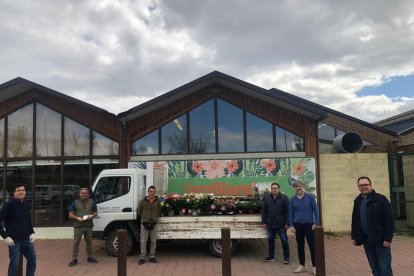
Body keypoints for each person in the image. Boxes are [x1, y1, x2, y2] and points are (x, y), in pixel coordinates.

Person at [351, 176, 394, 276]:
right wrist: (354, 236)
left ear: (371, 185)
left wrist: (388, 238)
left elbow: (389, 219)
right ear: (358, 187)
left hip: (381, 240)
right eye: (361, 185)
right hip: (366, 240)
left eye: (366, 184)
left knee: (385, 269)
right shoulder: (358, 201)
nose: (363, 187)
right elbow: (355, 220)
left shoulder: (381, 199)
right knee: (374, 268)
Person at [0, 183, 36, 276]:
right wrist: (5, 237)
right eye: (18, 190)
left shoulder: (25, 204)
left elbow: (28, 220)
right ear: (14, 193)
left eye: (22, 190)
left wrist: (32, 232)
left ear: (25, 192)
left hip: (27, 240)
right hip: (14, 241)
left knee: (32, 260)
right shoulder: (8, 205)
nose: (21, 192)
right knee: (14, 265)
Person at [289, 180, 319, 275]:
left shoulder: (310, 197)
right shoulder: (292, 199)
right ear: (294, 188)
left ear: (302, 186)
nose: (298, 188)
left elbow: (316, 210)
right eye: (296, 186)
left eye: (300, 186)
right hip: (298, 225)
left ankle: (315, 267)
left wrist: (316, 223)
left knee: (312, 247)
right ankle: (302, 266)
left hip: (309, 226)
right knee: (300, 246)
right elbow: (291, 213)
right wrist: (291, 225)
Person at [68, 187, 98, 267]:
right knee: (76, 242)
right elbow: (70, 214)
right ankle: (74, 259)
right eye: (82, 193)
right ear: (79, 194)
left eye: (86, 193)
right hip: (78, 226)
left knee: (89, 242)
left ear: (88, 194)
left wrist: (91, 215)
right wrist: (77, 218)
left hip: (89, 226)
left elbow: (96, 213)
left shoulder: (92, 202)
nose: (84, 194)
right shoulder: (75, 202)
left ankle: (90, 257)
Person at [261, 182, 290, 264]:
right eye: (272, 188)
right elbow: (264, 211)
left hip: (281, 224)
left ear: (279, 189)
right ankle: (271, 256)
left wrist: (288, 222)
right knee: (270, 240)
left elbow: (288, 211)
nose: (274, 189)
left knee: (284, 240)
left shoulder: (284, 198)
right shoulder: (267, 198)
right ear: (271, 189)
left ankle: (286, 257)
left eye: (275, 188)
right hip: (270, 223)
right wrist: (263, 222)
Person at [138, 185, 161, 265]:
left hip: (154, 223)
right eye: (150, 191)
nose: (152, 193)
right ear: (148, 192)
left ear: (155, 192)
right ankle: (142, 258)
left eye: (153, 192)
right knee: (143, 241)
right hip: (144, 223)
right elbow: (139, 211)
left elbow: (159, 211)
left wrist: (154, 219)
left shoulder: (157, 201)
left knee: (153, 241)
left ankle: (152, 257)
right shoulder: (142, 201)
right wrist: (145, 218)